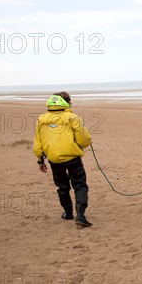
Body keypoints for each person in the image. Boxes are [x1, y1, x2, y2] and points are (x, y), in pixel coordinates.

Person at [33, 92, 93, 227]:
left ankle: (68, 213)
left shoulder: (41, 119)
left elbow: (38, 143)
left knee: (62, 186)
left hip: (54, 159)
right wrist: (86, 143)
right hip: (72, 157)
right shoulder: (72, 118)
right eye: (70, 101)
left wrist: (40, 160)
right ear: (66, 102)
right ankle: (80, 215)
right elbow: (84, 139)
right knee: (80, 185)